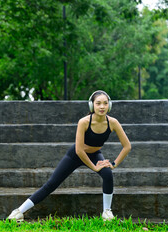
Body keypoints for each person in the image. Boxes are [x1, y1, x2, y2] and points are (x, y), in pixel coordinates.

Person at [7, 90, 131, 221]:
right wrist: (95, 168)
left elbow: (127, 146)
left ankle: (107, 212)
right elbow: (79, 150)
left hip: (95, 154)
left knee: (107, 174)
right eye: (98, 103)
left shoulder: (113, 122)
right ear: (92, 105)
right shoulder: (84, 122)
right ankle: (19, 212)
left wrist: (113, 164)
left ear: (109, 105)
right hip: (75, 155)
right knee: (52, 184)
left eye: (105, 103)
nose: (102, 107)